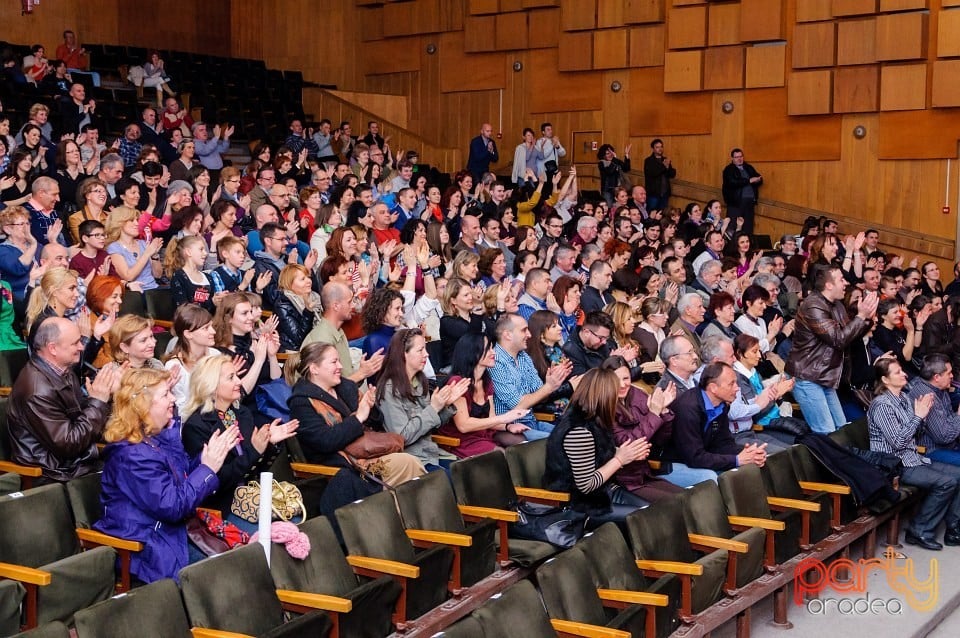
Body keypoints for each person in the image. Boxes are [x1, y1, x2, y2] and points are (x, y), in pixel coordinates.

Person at [95, 367, 238, 583]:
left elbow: (181, 480)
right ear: (143, 406)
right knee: (230, 574)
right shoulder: (131, 455)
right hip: (150, 549)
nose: (173, 398)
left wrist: (205, 460)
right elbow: (173, 506)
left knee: (243, 560)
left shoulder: (156, 439)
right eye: (165, 394)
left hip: (172, 535)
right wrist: (208, 469)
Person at [182, 355, 299, 521]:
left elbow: (256, 469)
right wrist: (255, 450)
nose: (239, 382)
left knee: (294, 524)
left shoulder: (242, 414)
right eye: (231, 378)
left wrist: (269, 444)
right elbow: (218, 481)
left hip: (253, 497)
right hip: (222, 508)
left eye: (237, 375)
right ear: (211, 385)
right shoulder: (197, 426)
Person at [8, 317, 120, 482]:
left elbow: (79, 420)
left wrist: (106, 396)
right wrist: (98, 402)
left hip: (75, 461)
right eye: (75, 343)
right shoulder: (37, 390)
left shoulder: (63, 371)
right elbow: (69, 444)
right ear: (52, 348)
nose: (82, 347)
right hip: (54, 471)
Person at [868, 357, 960, 550]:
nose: (905, 374)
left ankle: (954, 528)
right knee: (947, 482)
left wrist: (922, 417)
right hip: (895, 465)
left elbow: (915, 435)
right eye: (897, 372)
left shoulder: (903, 399)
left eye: (902, 370)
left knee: (957, 475)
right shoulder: (882, 405)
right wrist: (918, 416)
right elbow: (899, 442)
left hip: (913, 458)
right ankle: (919, 530)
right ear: (885, 380)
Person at [543, 367, 650, 526]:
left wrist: (627, 453)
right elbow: (586, 485)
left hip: (604, 492)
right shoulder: (579, 431)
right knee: (644, 519)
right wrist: (620, 459)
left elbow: (599, 453)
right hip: (580, 505)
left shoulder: (595, 419)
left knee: (653, 511)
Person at [785, 266, 876, 433]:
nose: (846, 283)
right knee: (825, 432)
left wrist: (867, 319)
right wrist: (861, 316)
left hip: (825, 376)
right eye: (841, 280)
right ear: (828, 285)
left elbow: (849, 335)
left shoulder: (838, 305)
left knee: (841, 430)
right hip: (807, 376)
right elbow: (838, 339)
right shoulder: (813, 306)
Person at [377, 328, 468, 471]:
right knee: (451, 482)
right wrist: (434, 408)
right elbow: (402, 437)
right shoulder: (389, 389)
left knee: (469, 473)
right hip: (412, 460)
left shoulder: (419, 381)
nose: (427, 354)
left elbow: (430, 425)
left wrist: (445, 405)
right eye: (420, 350)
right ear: (403, 354)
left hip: (431, 452)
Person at [666, 362, 768, 482]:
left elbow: (723, 443)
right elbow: (694, 457)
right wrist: (737, 460)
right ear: (713, 388)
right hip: (673, 463)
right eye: (732, 384)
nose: (737, 388)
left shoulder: (721, 405)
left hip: (703, 456)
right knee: (711, 478)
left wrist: (748, 454)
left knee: (755, 463)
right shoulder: (688, 409)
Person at [602, 356, 684, 502]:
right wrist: (653, 414)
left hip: (644, 473)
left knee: (690, 497)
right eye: (616, 379)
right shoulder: (603, 406)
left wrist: (663, 412)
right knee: (677, 504)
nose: (622, 384)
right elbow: (628, 444)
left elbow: (660, 440)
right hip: (622, 480)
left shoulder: (637, 395)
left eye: (626, 378)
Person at [436, 332, 530, 457]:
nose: (493, 352)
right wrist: (504, 418)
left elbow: (491, 418)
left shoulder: (486, 380)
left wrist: (507, 426)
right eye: (488, 349)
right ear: (473, 353)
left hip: (484, 433)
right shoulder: (458, 382)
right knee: (499, 454)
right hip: (461, 440)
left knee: (521, 442)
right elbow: (463, 425)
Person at [490, 313, 574, 440]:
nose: (529, 334)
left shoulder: (523, 356)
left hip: (532, 421)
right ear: (507, 335)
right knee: (560, 443)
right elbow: (517, 406)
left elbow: (539, 395)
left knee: (575, 436)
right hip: (511, 428)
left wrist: (551, 383)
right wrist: (548, 387)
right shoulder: (495, 361)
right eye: (524, 330)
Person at [274, 263, 322, 352]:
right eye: (302, 279)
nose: (308, 281)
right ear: (290, 284)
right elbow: (299, 339)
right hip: (297, 351)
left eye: (308, 277)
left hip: (319, 343)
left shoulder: (315, 297)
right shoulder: (283, 305)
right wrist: (308, 312)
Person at [721, 148, 762, 235]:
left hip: (750, 202)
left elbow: (758, 177)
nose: (739, 159)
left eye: (741, 156)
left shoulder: (748, 167)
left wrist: (758, 180)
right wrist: (749, 181)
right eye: (736, 157)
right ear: (732, 158)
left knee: (748, 227)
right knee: (733, 227)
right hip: (736, 203)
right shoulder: (729, 169)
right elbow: (732, 182)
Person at [643, 139, 675, 212]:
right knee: (652, 212)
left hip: (664, 193)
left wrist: (668, 167)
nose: (660, 149)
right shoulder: (648, 161)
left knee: (663, 213)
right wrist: (664, 166)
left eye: (661, 147)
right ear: (653, 149)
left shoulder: (665, 160)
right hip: (653, 194)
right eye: (657, 147)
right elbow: (653, 173)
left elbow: (671, 175)